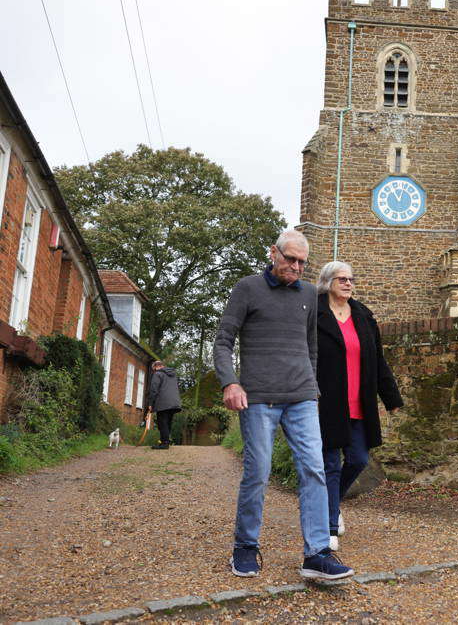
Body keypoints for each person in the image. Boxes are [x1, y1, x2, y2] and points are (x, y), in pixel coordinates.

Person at [213, 229, 353, 581]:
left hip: (302, 397)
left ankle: (317, 554)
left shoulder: (308, 293)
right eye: (289, 258)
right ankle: (245, 546)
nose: (295, 266)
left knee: (314, 471)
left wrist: (314, 386)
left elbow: (311, 347)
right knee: (258, 473)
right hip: (258, 398)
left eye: (302, 262)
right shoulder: (247, 289)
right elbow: (223, 341)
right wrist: (230, 382)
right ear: (273, 252)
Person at [315, 261, 404, 551]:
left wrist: (391, 399)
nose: (348, 283)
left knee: (358, 459)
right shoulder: (314, 313)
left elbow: (378, 361)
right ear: (328, 282)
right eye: (341, 279)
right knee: (329, 465)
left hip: (358, 403)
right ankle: (328, 526)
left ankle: (332, 503)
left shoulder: (363, 316)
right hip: (325, 403)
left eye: (351, 279)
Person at [145, 361, 181, 449]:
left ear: (156, 367)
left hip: (163, 403)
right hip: (174, 403)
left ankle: (164, 443)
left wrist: (150, 403)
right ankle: (165, 441)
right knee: (168, 422)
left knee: (162, 422)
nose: (154, 371)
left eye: (154, 369)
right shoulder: (173, 374)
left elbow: (154, 389)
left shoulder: (158, 374)